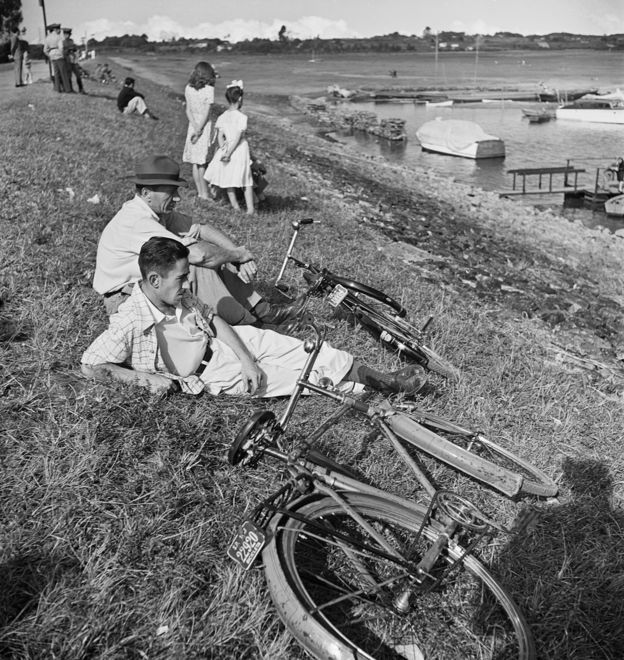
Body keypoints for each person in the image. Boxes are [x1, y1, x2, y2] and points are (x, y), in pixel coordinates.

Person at [82, 237, 426, 398]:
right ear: (154, 280)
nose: (188, 282)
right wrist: (143, 381)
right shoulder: (130, 318)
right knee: (296, 381)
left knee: (303, 350)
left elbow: (214, 319)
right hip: (212, 372)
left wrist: (247, 357)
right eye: (181, 277)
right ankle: (372, 389)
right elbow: (91, 364)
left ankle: (383, 379)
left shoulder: (178, 293)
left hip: (227, 342)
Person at [93, 154, 303, 328]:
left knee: (218, 255)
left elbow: (201, 229)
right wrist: (238, 255)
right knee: (198, 265)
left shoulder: (155, 212)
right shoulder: (137, 220)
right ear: (147, 193)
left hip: (149, 288)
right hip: (124, 299)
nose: (177, 198)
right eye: (171, 192)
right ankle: (250, 327)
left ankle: (266, 313)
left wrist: (237, 253)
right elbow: (198, 255)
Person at [204, 81, 255, 215]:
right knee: (246, 179)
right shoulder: (242, 117)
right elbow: (238, 137)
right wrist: (230, 152)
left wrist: (224, 150)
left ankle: (236, 207)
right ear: (240, 99)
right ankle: (250, 209)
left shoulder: (222, 116)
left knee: (229, 179)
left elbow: (220, 136)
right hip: (239, 149)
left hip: (226, 148)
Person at [182, 61, 217, 201]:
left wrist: (195, 127)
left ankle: (200, 192)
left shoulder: (188, 88)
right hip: (204, 126)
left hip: (193, 124)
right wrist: (200, 129)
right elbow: (207, 113)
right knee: (202, 162)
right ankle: (205, 194)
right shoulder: (209, 89)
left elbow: (188, 110)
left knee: (196, 162)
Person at [44, 23, 71, 93]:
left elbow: (45, 50)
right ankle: (67, 89)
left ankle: (57, 88)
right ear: (55, 29)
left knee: (56, 74)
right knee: (63, 73)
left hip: (52, 56)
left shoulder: (48, 37)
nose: (60, 31)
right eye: (59, 29)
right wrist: (63, 55)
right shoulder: (58, 37)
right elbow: (61, 47)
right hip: (59, 55)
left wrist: (50, 55)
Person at [63, 28, 85, 94]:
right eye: (66, 34)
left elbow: (75, 48)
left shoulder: (71, 41)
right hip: (68, 60)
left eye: (68, 34)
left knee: (78, 75)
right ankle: (71, 89)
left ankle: (81, 89)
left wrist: (74, 49)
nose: (67, 36)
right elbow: (63, 52)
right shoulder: (63, 42)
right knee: (69, 76)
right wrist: (68, 50)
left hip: (74, 60)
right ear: (64, 35)